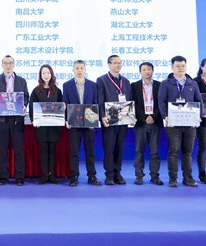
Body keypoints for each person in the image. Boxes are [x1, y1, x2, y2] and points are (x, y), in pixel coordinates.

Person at [158, 55, 202, 187]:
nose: (180, 68)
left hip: (190, 123)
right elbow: (161, 101)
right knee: (174, 151)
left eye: (183, 66)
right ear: (172, 67)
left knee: (188, 152)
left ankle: (188, 178)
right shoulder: (166, 83)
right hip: (173, 123)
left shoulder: (192, 83)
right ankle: (173, 178)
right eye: (177, 66)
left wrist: (199, 115)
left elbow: (198, 101)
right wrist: (165, 116)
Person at [0, 55, 30, 186]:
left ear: (14, 64)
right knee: (2, 150)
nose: (8, 65)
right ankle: (3, 176)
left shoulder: (22, 81)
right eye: (5, 63)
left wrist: (24, 105)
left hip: (17, 120)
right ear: (2, 65)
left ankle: (19, 177)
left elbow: (26, 96)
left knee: (18, 150)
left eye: (10, 63)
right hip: (1, 120)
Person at [97, 54, 133, 185]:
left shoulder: (126, 81)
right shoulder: (102, 80)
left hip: (123, 120)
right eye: (115, 62)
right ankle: (109, 175)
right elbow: (100, 100)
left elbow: (129, 100)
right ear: (109, 64)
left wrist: (131, 116)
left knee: (120, 147)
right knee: (109, 148)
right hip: (109, 120)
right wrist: (102, 116)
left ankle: (118, 173)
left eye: (120, 62)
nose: (118, 65)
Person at [63, 60, 99, 187]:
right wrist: (66, 120)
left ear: (85, 69)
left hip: (89, 123)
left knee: (90, 152)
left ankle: (92, 176)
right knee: (74, 152)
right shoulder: (67, 85)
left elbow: (95, 103)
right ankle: (74, 176)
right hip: (74, 123)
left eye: (81, 68)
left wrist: (95, 119)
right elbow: (65, 104)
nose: (79, 70)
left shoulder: (92, 85)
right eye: (77, 68)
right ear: (73, 70)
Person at [29, 64, 63, 185]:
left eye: (48, 73)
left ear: (51, 74)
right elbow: (32, 107)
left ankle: (52, 175)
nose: (46, 75)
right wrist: (34, 120)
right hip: (41, 127)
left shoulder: (57, 91)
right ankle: (44, 175)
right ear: (40, 75)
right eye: (43, 73)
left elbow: (61, 106)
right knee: (43, 151)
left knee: (52, 151)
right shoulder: (36, 91)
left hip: (54, 126)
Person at [131, 62, 163, 185]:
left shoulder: (160, 85)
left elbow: (162, 103)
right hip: (141, 123)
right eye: (144, 69)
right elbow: (133, 104)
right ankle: (139, 175)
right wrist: (145, 117)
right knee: (139, 150)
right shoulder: (134, 86)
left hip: (155, 122)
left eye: (149, 69)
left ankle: (154, 176)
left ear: (152, 71)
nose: (147, 71)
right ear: (140, 72)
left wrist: (153, 116)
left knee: (154, 151)